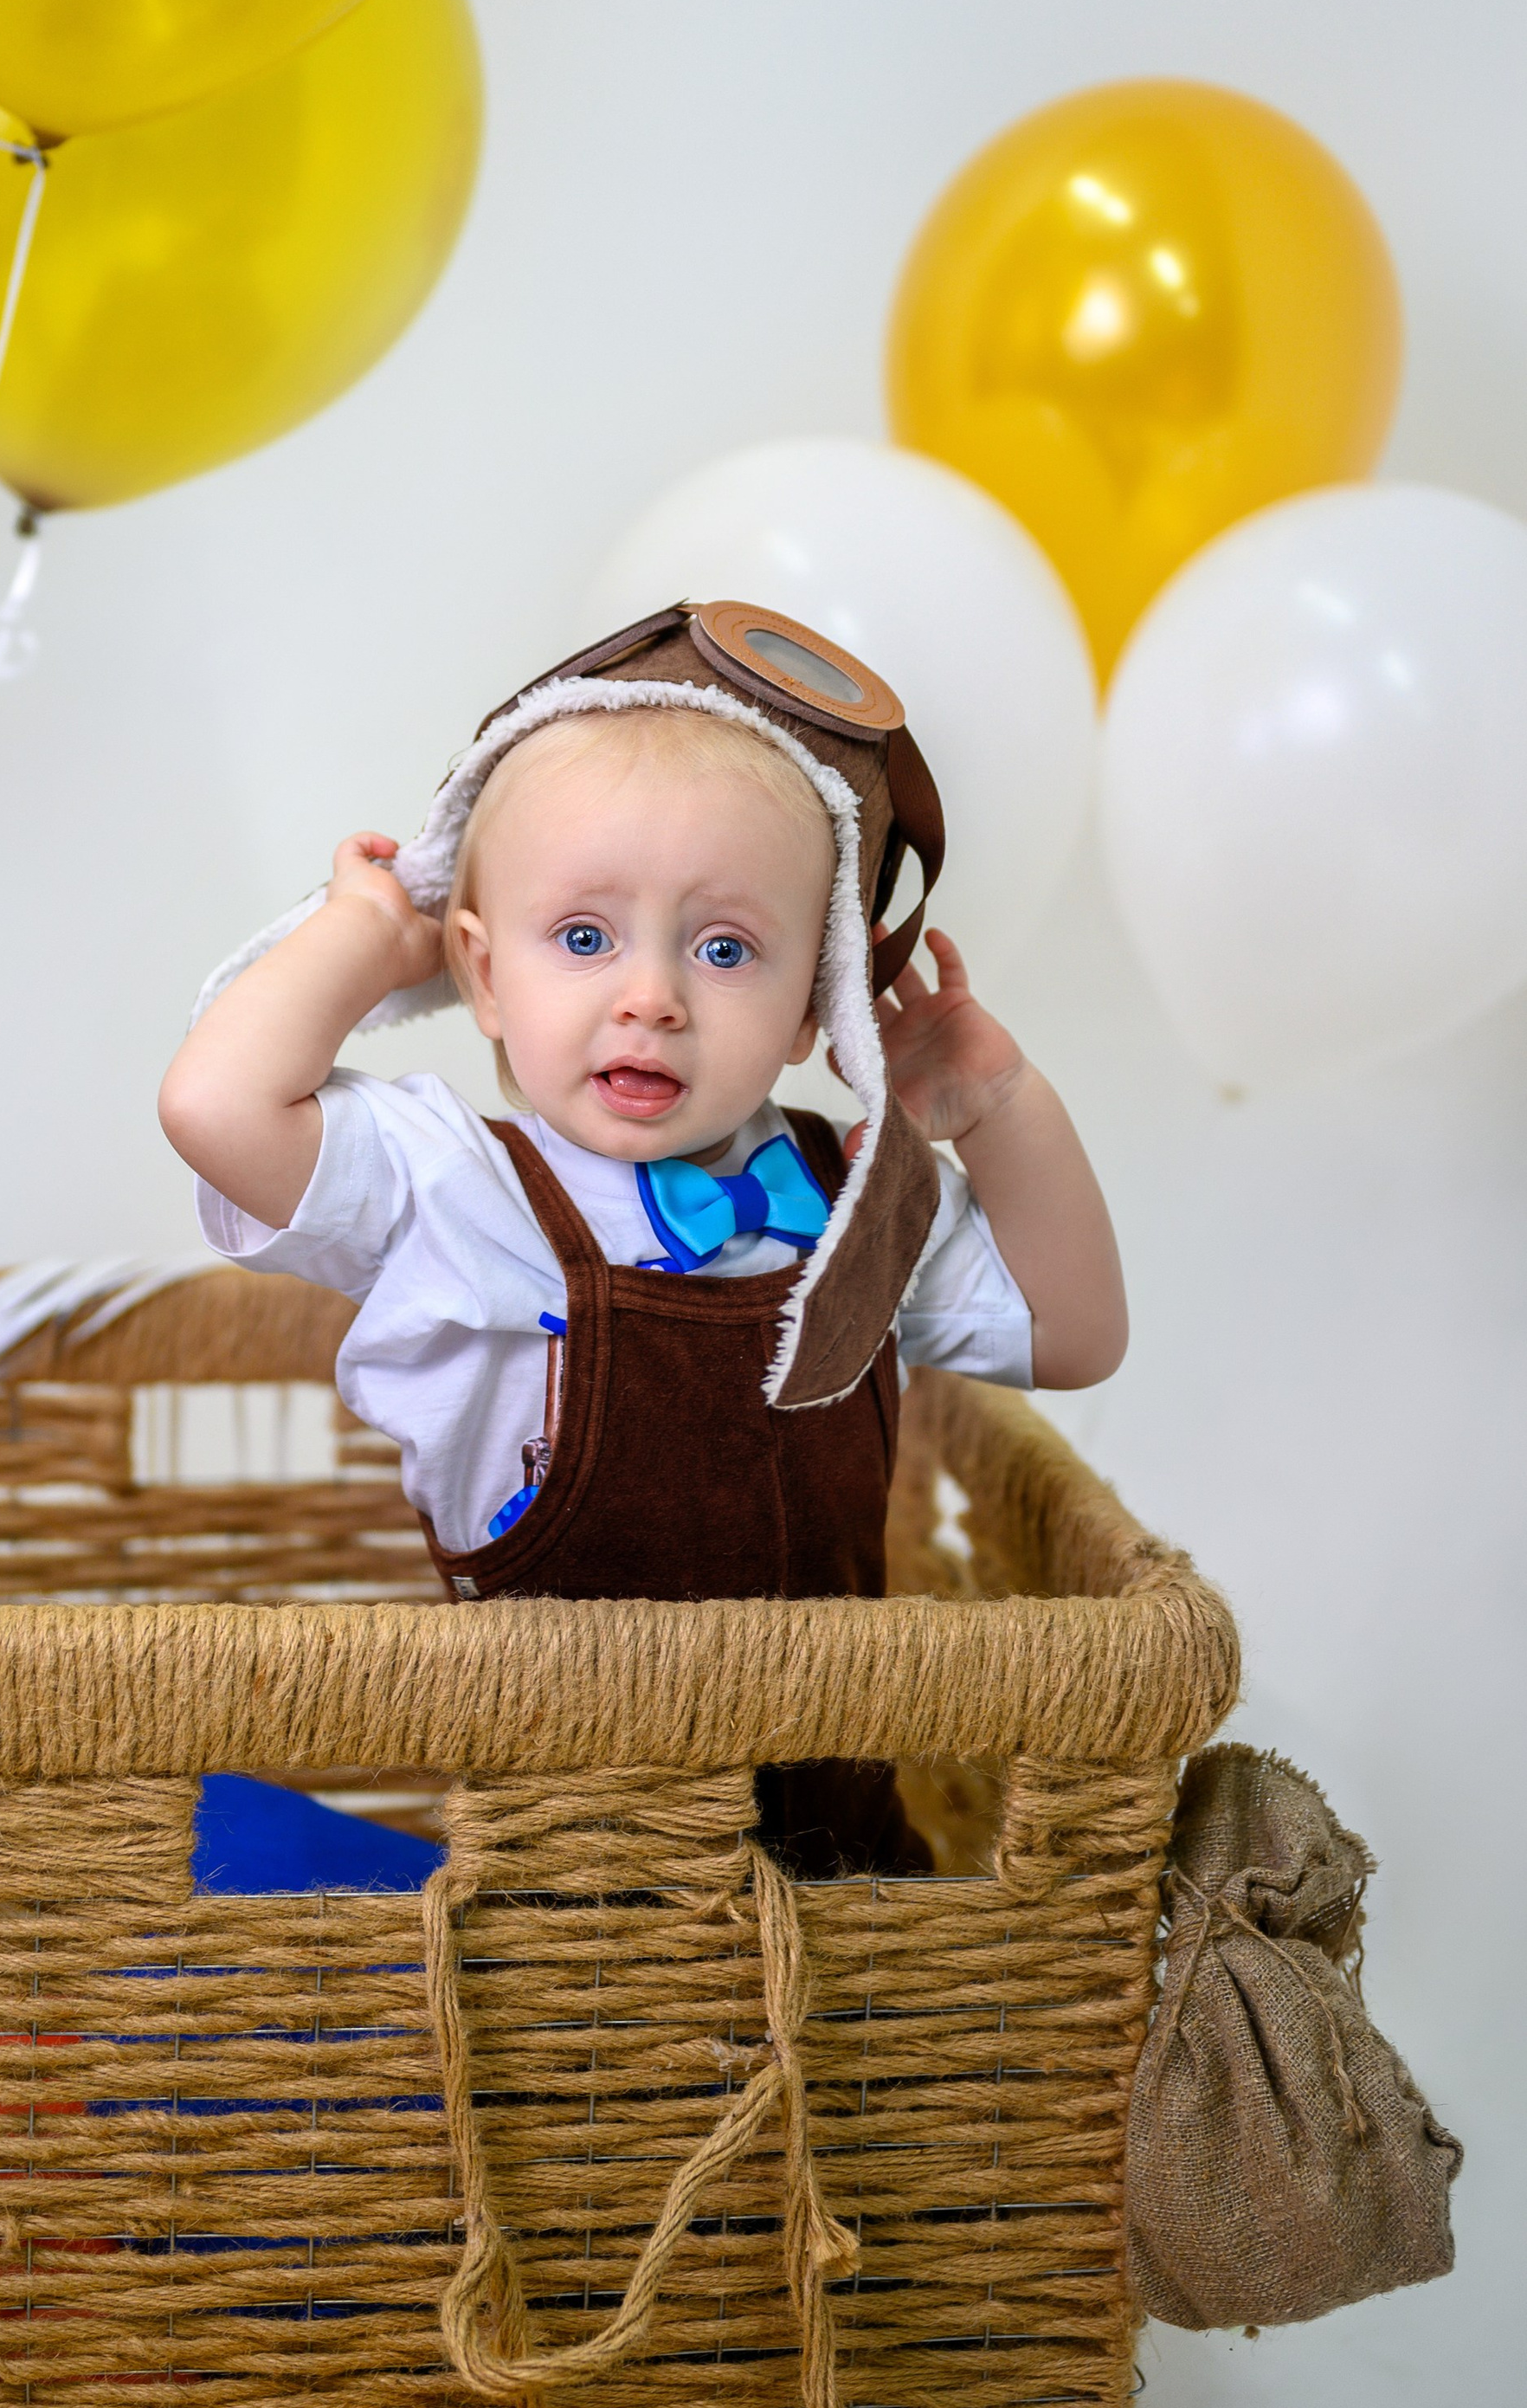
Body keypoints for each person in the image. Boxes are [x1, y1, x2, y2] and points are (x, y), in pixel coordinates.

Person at [161, 599, 1128, 1872]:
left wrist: (997, 1105)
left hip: (839, 1838)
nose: (653, 995)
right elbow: (214, 1102)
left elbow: (1075, 1335)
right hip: (569, 1857)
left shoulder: (849, 1192)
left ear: (808, 1010)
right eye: (582, 936)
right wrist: (363, 935)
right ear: (484, 973)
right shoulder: (453, 1186)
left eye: (726, 947)